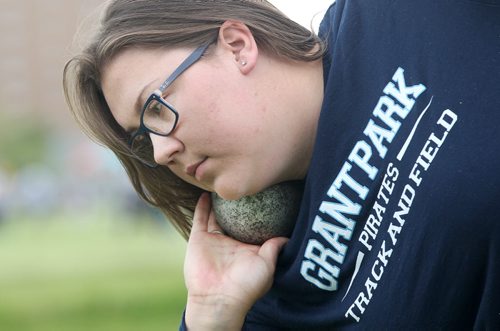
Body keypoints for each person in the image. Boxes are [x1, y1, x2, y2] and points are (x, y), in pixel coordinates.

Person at [63, 0, 500, 329]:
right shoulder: (263, 285)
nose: (160, 154)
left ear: (237, 46)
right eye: (143, 138)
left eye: (155, 107)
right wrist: (213, 314)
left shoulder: (400, 14)